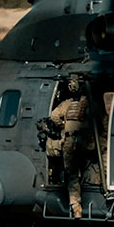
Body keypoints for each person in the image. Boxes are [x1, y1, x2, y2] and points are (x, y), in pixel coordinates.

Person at [45, 73, 90, 218]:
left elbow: (53, 116)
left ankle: (75, 206)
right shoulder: (89, 103)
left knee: (72, 175)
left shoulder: (67, 104)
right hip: (87, 142)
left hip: (71, 142)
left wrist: (63, 125)